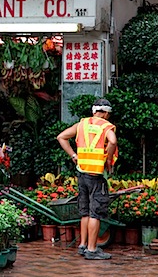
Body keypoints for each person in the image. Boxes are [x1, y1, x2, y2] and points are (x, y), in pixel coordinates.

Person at [56, 98, 117, 260]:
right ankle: (92, 249)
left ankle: (83, 245)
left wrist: (73, 155)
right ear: (104, 113)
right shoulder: (105, 126)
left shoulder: (81, 124)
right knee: (95, 213)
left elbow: (61, 137)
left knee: (85, 211)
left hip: (82, 173)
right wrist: (109, 160)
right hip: (96, 175)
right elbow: (113, 141)